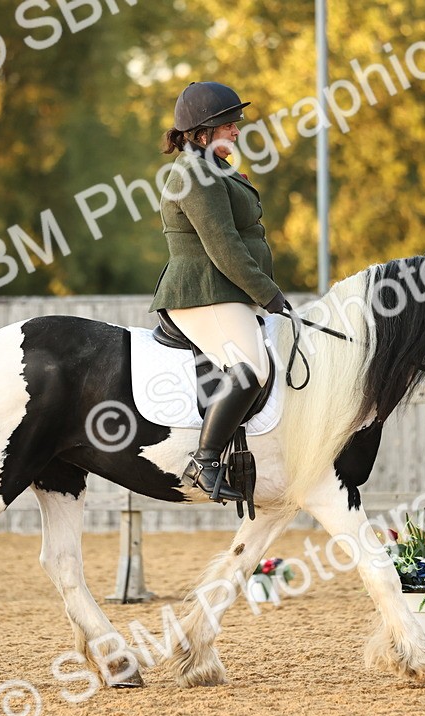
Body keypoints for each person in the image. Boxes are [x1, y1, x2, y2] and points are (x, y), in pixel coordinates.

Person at [149, 81, 289, 503]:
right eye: (230, 124)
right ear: (204, 132)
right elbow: (224, 246)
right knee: (251, 369)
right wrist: (268, 293)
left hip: (224, 292)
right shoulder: (193, 174)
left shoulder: (214, 168)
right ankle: (205, 461)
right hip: (201, 292)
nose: (238, 130)